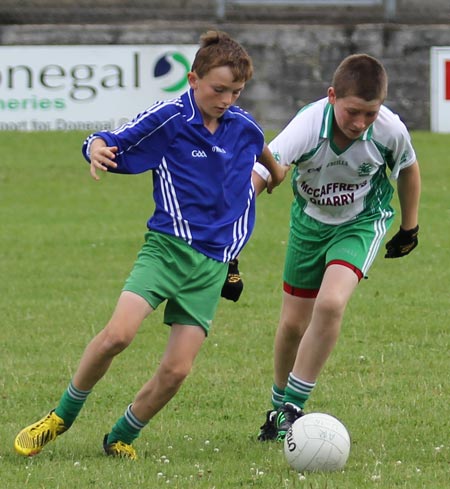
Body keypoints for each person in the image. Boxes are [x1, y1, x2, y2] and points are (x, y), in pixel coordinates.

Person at [14, 30, 286, 460]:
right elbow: (110, 137)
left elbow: (265, 154)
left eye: (236, 91)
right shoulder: (170, 118)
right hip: (165, 250)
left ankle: (122, 435)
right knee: (117, 336)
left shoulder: (243, 126)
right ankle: (61, 416)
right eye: (218, 89)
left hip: (212, 265)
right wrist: (97, 149)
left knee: (177, 370)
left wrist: (269, 175)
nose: (227, 99)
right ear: (193, 79)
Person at [253, 53, 421, 441]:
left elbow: (409, 169)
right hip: (309, 223)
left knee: (330, 303)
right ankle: (278, 407)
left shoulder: (389, 130)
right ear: (331, 96)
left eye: (370, 113)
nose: (360, 122)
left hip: (362, 221)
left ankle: (293, 407)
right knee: (292, 325)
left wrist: (409, 227)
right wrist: (241, 209)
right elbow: (265, 168)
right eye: (352, 112)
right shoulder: (309, 123)